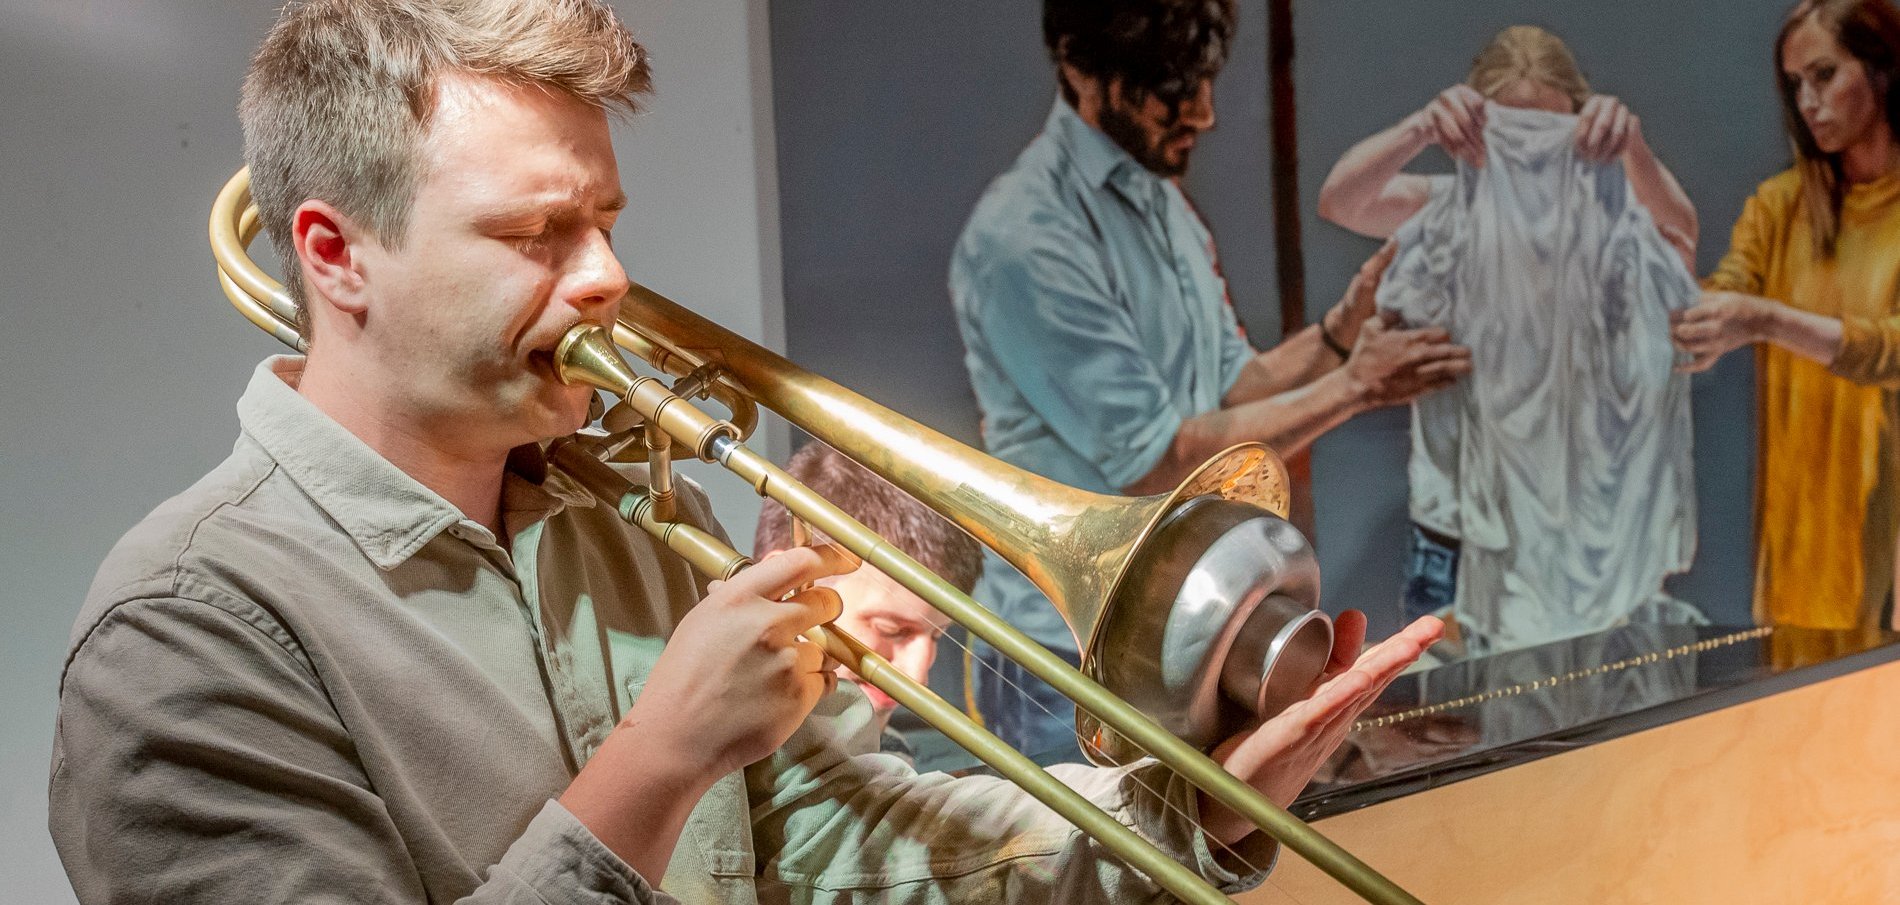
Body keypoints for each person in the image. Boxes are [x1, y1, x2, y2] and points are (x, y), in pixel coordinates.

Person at [48, 1, 1445, 903]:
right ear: (335, 255)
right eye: (537, 233)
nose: (606, 277)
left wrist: (1187, 804)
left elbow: (870, 851)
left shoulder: (625, 534)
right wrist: (656, 765)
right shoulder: (183, 635)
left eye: (606, 219)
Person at [949, 0, 1469, 759]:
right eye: (1171, 87)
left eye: (1204, 80)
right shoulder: (1025, 235)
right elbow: (1162, 457)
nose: (1205, 111)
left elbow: (1231, 391)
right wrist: (1358, 385)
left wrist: (1338, 333)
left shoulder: (1161, 202)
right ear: (1081, 69)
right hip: (1063, 661)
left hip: (1169, 637)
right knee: (1092, 877)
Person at [1316, 24, 1701, 636]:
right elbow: (1341, 201)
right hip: (1458, 534)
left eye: (1548, 136)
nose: (1529, 158)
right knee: (1454, 727)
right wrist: (1421, 124)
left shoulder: (1610, 226)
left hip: (1584, 544)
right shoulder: (1444, 209)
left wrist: (1632, 146)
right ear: (1471, 126)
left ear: (1582, 127)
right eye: (1509, 134)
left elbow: (1681, 237)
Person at [1672, 0, 1900, 642]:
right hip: (1798, 546)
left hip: (1887, 542)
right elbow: (1722, 299)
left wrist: (1766, 321)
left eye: (1825, 75)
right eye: (1795, 85)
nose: (1809, 101)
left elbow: (1890, 350)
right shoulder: (1780, 207)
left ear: (1881, 69)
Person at [754, 441, 978, 763]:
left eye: (936, 635)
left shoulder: (891, 750)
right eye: (890, 629)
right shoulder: (729, 760)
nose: (918, 678)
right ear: (785, 585)